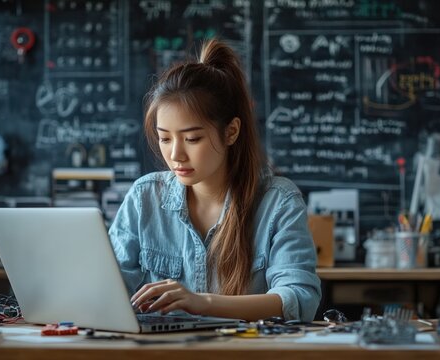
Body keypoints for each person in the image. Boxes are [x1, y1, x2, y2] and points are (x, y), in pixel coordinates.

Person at [108, 39, 321, 322]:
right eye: (165, 138)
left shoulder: (278, 201)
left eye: (192, 138)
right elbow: (108, 289)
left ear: (231, 132)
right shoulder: (144, 196)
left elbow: (298, 298)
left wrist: (203, 303)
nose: (176, 155)